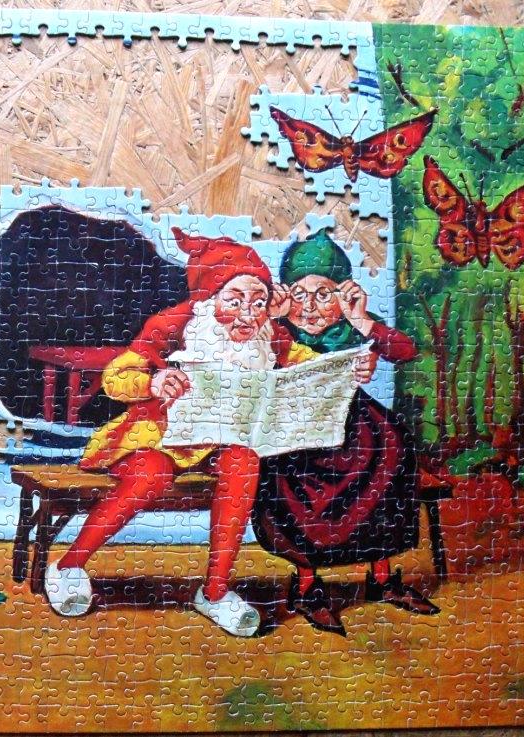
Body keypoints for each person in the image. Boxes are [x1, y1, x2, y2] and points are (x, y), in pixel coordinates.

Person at [45, 228, 368, 637]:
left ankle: (214, 592)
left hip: (223, 441)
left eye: (259, 302)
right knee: (152, 473)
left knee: (243, 462)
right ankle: (69, 565)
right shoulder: (177, 324)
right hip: (159, 437)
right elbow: (116, 377)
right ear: (210, 298)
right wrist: (152, 383)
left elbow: (309, 364)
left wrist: (350, 368)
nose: (248, 314)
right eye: (235, 301)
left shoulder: (270, 335)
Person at [252, 231, 439, 636]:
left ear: (346, 294)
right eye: (298, 294)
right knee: (289, 477)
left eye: (324, 294)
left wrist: (362, 322)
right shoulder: (275, 330)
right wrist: (271, 317)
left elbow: (405, 351)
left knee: (392, 449)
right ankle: (307, 586)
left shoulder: (354, 328)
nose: (310, 307)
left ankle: (382, 577)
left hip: (354, 425)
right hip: (293, 430)